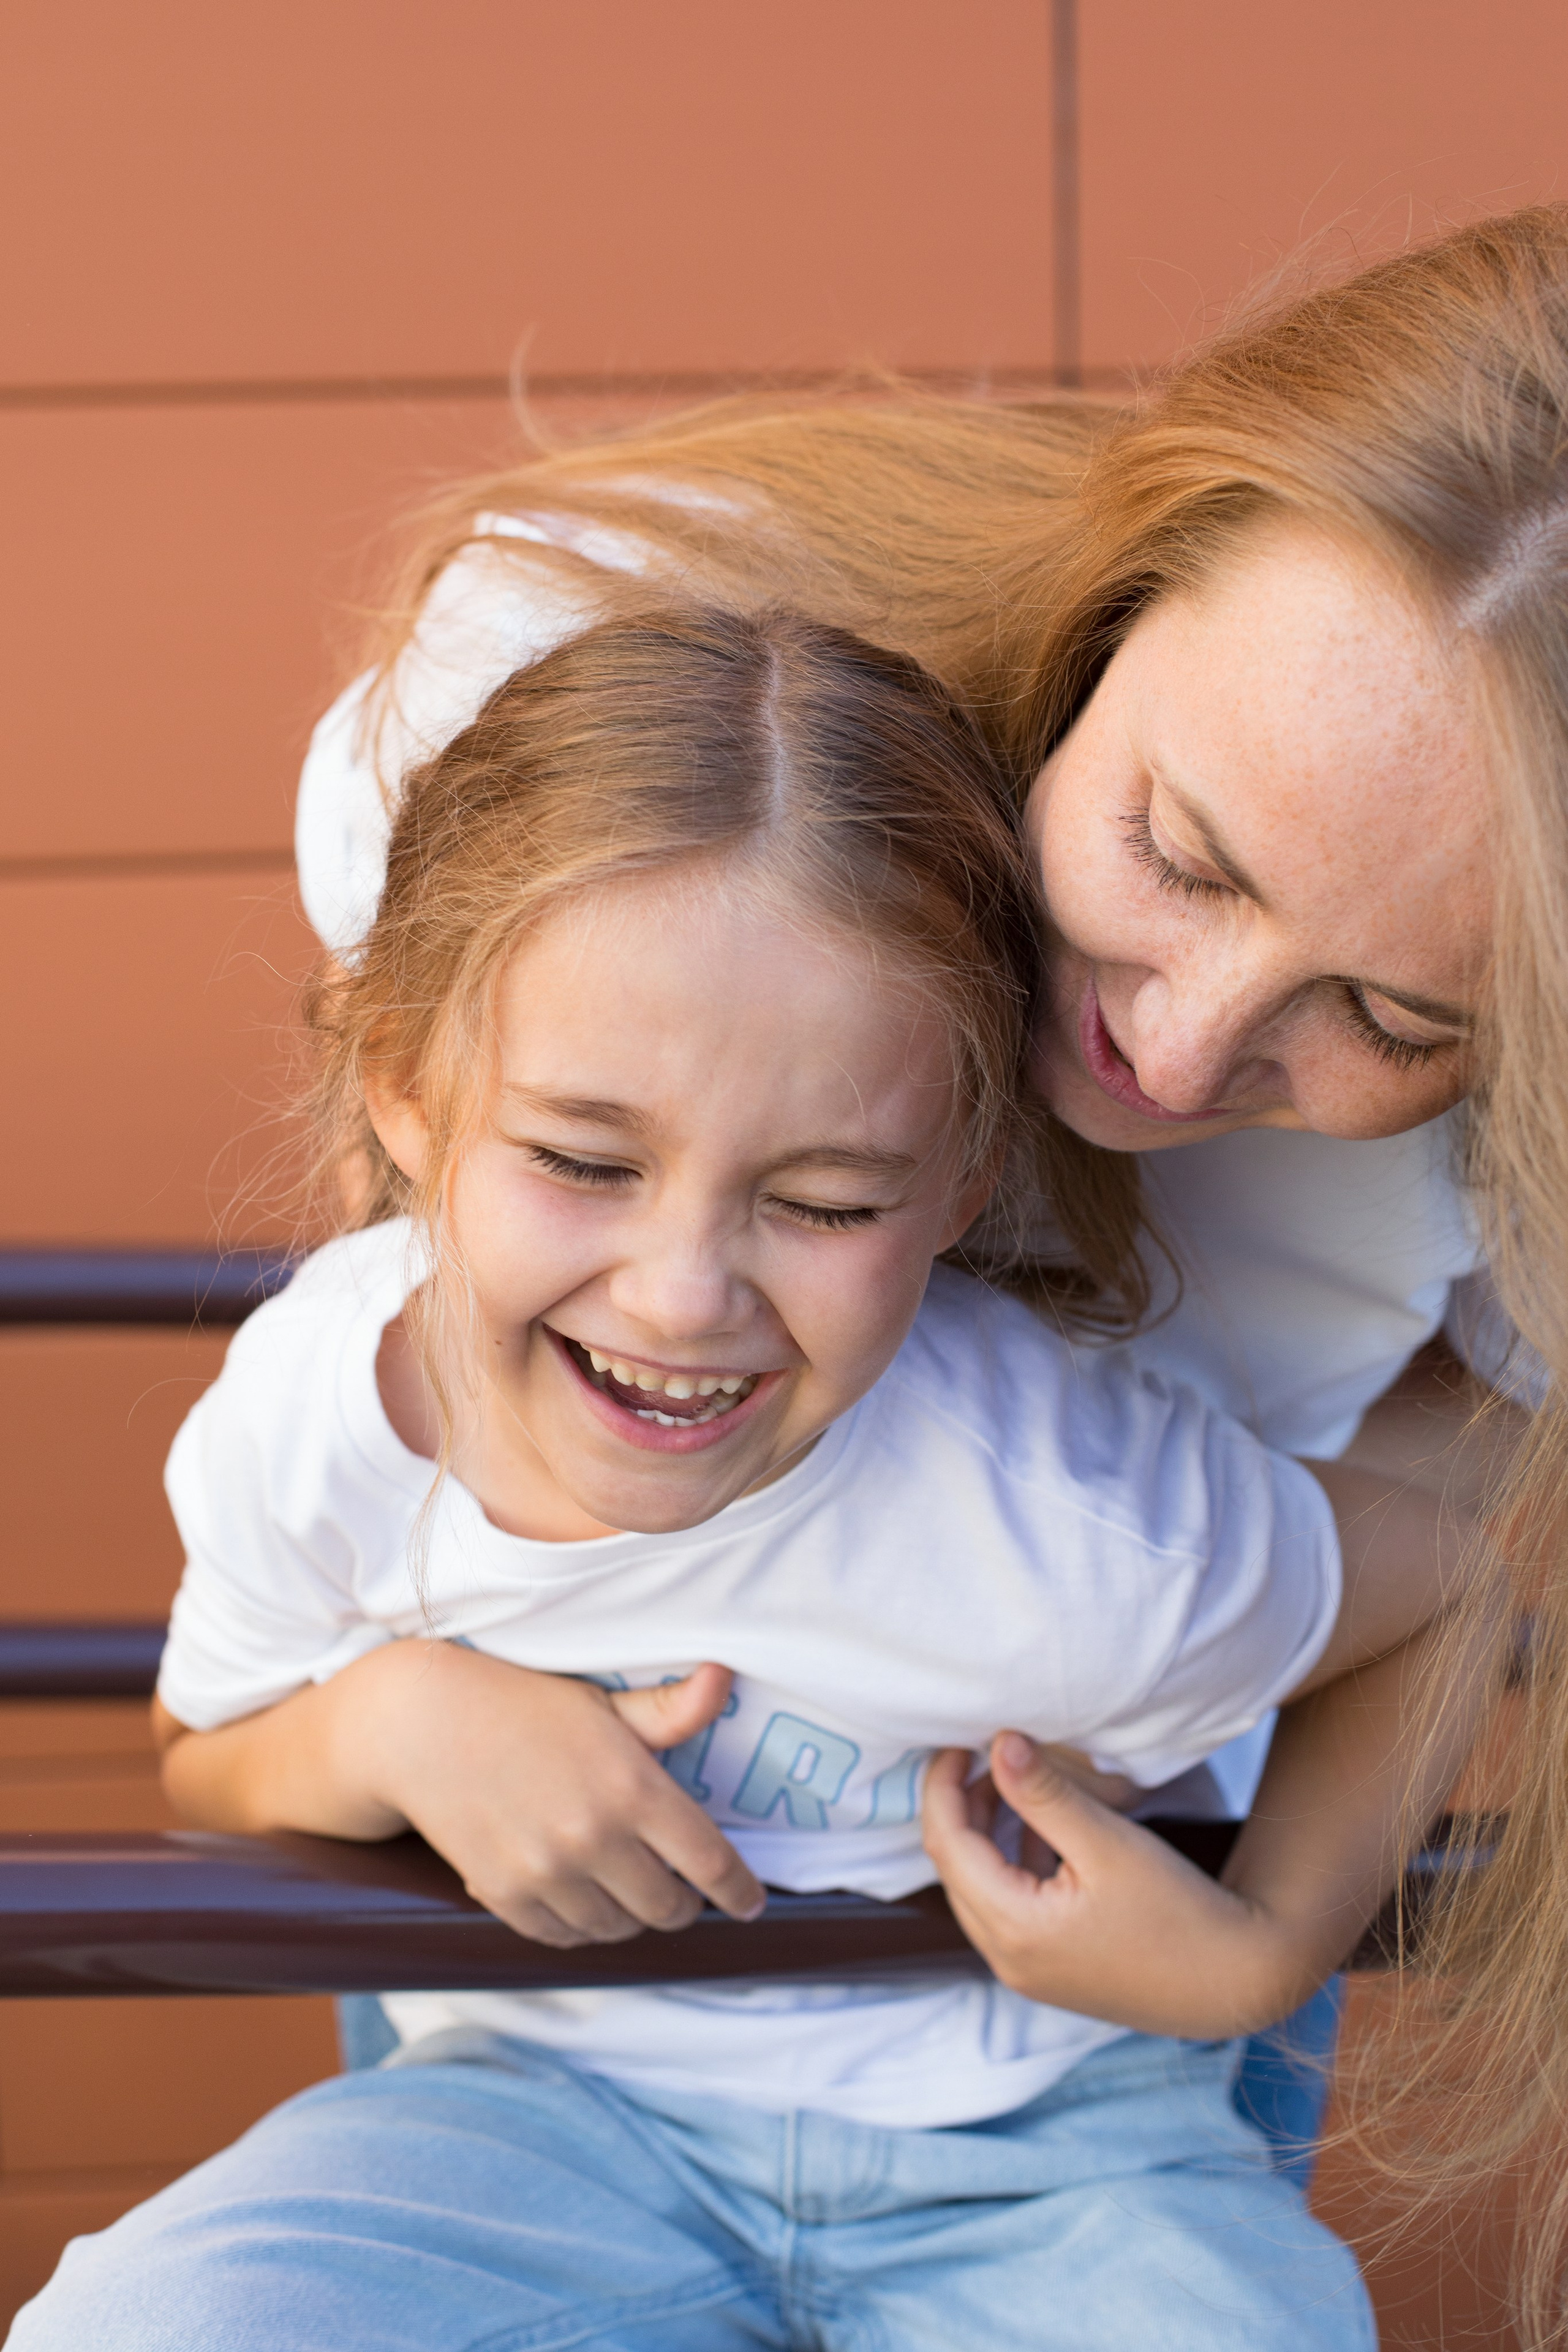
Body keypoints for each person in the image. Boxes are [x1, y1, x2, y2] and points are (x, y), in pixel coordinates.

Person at [290, 209, 1568, 2291]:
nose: (1177, 1043)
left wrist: (1257, 1949)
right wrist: (399, 1704)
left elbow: (1432, 1528)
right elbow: (439, 1358)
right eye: (1175, 852)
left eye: (1400, 1022)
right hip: (558, 2005)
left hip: (1095, 2045)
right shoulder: (567, 673)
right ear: (1127, 586)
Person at [10, 604, 1456, 2350]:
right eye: (577, 1159)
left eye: (829, 1202)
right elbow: (207, 1763)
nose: (682, 1295)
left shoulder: (1062, 1529)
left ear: (960, 1180)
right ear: (402, 1083)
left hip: (1045, 2163)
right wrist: (393, 1720)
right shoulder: (324, 1423)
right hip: (534, 2117)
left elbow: (1457, 1573)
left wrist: (1261, 1946)